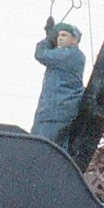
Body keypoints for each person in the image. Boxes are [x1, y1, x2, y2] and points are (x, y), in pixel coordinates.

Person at [31, 18, 84, 150]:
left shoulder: (70, 55)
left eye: (64, 35)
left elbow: (40, 54)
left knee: (43, 150)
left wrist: (49, 37)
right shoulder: (68, 55)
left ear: (75, 40)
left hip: (55, 112)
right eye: (58, 35)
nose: (60, 38)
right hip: (53, 111)